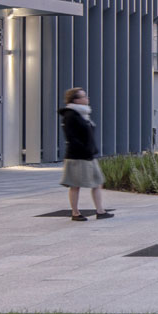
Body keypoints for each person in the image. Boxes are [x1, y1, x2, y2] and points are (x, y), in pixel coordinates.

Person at [59, 87, 109, 221]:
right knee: (75, 185)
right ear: (76, 100)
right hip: (77, 156)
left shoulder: (83, 114)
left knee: (98, 182)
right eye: (83, 96)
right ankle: (75, 213)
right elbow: (72, 137)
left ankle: (100, 211)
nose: (87, 98)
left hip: (89, 155)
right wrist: (85, 149)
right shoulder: (70, 116)